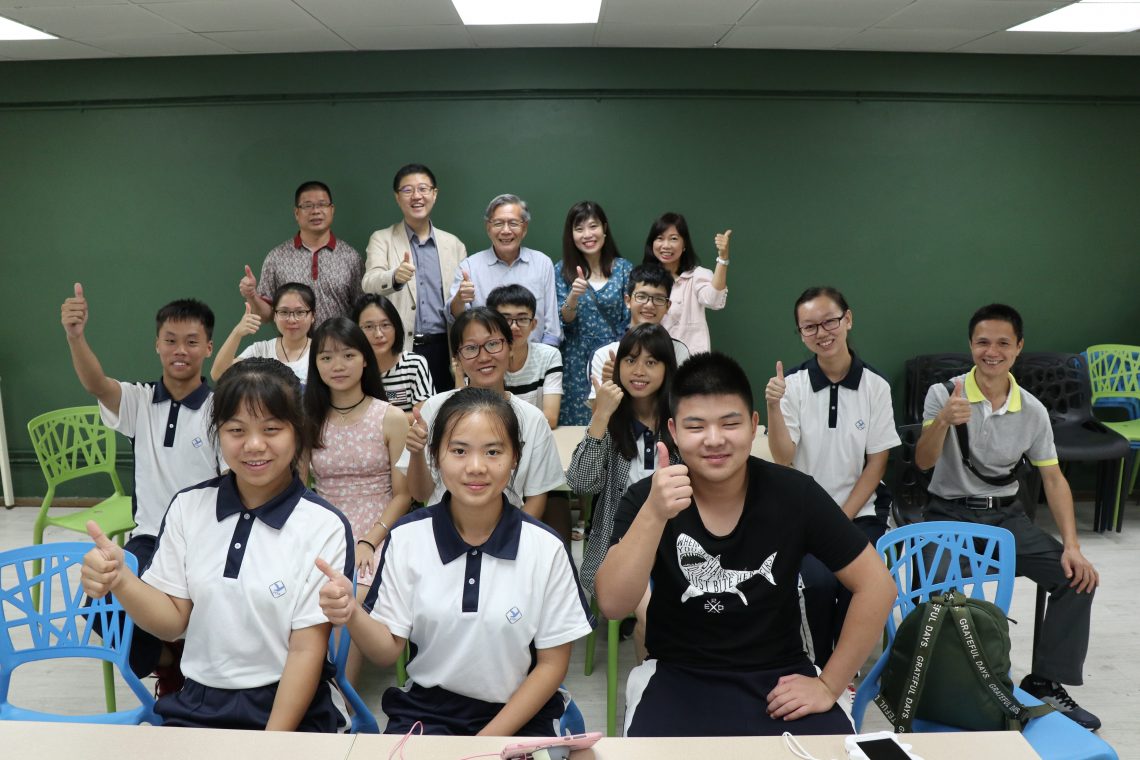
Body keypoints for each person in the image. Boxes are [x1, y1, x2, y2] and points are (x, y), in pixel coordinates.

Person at [595, 352, 895, 737]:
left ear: (755, 425)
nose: (715, 439)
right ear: (672, 430)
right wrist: (654, 514)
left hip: (779, 676)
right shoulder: (646, 497)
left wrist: (828, 684)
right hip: (678, 675)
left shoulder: (794, 493)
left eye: (730, 423)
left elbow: (877, 585)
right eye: (696, 425)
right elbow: (614, 603)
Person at [81, 358, 352, 731]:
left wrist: (272, 747)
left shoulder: (324, 526)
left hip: (290, 709)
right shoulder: (189, 507)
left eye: (272, 429)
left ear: (298, 432)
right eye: (236, 429)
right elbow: (172, 622)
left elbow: (306, 650)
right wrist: (122, 581)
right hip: (198, 702)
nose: (254, 445)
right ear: (218, 432)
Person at [315, 387, 594, 736]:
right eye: (459, 451)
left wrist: (482, 745)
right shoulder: (408, 538)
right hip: (429, 714)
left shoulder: (545, 547)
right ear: (435, 456)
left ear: (515, 459)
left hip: (521, 714)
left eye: (493, 451)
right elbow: (387, 651)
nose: (476, 467)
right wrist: (351, 613)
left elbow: (552, 666)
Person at [915, 303, 1101, 730]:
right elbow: (923, 463)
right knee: (940, 595)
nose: (991, 351)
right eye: (982, 342)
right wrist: (942, 422)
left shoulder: (1032, 410)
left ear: (1018, 348)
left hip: (1006, 518)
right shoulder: (945, 394)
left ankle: (1045, 682)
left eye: (1002, 343)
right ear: (971, 346)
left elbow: (1053, 479)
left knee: (1078, 579)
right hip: (947, 514)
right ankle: (953, 686)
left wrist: (1073, 547)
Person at [61, 284, 221, 690]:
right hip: (149, 537)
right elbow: (97, 383)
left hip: (208, 537)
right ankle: (170, 662)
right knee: (100, 608)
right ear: (156, 345)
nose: (179, 350)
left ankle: (197, 667)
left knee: (213, 603)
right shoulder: (138, 400)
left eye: (191, 341)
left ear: (208, 347)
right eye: (170, 341)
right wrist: (75, 336)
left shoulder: (223, 410)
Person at [764, 286, 900, 670]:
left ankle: (847, 663)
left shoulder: (876, 386)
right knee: (818, 585)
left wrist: (840, 519)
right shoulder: (793, 385)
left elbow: (877, 463)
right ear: (801, 333)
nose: (822, 332)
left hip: (861, 512)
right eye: (809, 327)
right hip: (804, 514)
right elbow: (783, 456)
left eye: (830, 321)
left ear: (848, 320)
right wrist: (774, 406)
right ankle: (821, 666)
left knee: (861, 585)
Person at [406, 308, 564, 521]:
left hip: (507, 534)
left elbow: (536, 498)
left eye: (493, 344)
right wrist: (416, 453)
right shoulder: (434, 409)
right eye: (471, 348)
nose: (484, 357)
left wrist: (508, 536)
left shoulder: (532, 418)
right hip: (442, 530)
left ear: (510, 348)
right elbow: (420, 494)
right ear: (457, 359)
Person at [568, 324, 678, 604]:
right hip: (621, 548)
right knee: (650, 608)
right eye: (630, 360)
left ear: (667, 369)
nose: (638, 371)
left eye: (651, 362)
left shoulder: (682, 420)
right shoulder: (612, 421)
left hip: (677, 546)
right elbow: (581, 482)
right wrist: (601, 415)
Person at [303, 318, 411, 586]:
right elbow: (298, 489)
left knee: (355, 597)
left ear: (365, 359)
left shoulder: (392, 417)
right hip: (323, 532)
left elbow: (404, 495)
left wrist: (368, 541)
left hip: (379, 532)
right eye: (326, 358)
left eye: (349, 355)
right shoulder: (307, 419)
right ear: (315, 364)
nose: (337, 366)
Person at [361, 164, 467, 393]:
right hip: (399, 348)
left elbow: (458, 308)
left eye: (423, 189)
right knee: (406, 420)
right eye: (408, 190)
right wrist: (394, 277)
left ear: (434, 194)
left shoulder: (454, 245)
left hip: (444, 348)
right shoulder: (382, 239)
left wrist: (462, 299)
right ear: (397, 197)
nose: (416, 196)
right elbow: (368, 283)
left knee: (445, 418)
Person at [240, 181, 363, 326]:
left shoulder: (351, 257)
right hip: (292, 346)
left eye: (322, 204)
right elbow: (266, 316)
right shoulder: (277, 258)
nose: (315, 211)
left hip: (339, 346)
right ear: (296, 213)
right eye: (307, 206)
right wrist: (252, 296)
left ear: (332, 210)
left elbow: (362, 310)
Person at [555, 201, 631, 425]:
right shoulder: (561, 270)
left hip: (613, 358)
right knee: (577, 424)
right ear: (571, 235)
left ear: (604, 229)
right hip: (575, 361)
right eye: (579, 229)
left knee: (615, 422)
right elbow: (563, 321)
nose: (587, 234)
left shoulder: (624, 269)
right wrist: (573, 297)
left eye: (593, 226)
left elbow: (631, 318)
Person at [448, 194, 560, 346]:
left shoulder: (542, 263)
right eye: (498, 223)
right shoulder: (469, 267)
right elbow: (456, 318)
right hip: (486, 360)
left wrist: (542, 361)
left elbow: (552, 327)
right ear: (488, 227)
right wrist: (460, 299)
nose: (506, 231)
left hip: (535, 360)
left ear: (524, 228)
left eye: (513, 223)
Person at [586, 265, 690, 405]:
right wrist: (610, 383)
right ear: (628, 300)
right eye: (641, 297)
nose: (649, 305)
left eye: (658, 299)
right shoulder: (605, 354)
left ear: (668, 306)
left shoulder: (679, 351)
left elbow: (683, 404)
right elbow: (597, 418)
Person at [641, 212, 730, 354]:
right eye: (659, 238)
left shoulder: (696, 276)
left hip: (691, 366)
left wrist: (723, 258)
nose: (666, 245)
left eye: (673, 239)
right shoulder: (643, 281)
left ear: (684, 245)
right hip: (654, 360)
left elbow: (714, 300)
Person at [488, 284, 563, 429]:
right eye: (506, 318)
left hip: (535, 438)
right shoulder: (481, 357)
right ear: (492, 322)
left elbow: (551, 418)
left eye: (522, 319)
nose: (514, 327)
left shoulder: (549, 356)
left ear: (533, 324)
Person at [352, 293, 434, 424]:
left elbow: (424, 415)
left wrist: (378, 421)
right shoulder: (353, 368)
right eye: (368, 327)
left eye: (385, 325)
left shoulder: (414, 364)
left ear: (396, 327)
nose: (378, 334)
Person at [211, 282, 315, 384]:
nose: (292, 320)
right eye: (284, 312)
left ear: (313, 316)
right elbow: (218, 375)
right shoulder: (261, 350)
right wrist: (237, 333)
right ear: (274, 315)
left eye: (300, 312)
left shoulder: (320, 352)